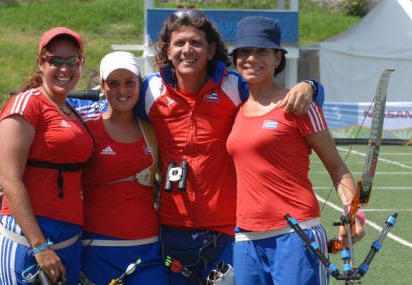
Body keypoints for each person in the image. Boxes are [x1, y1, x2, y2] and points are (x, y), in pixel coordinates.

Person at [70, 8, 323, 284]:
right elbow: (113, 98)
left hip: (226, 231)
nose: (187, 50)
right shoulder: (150, 90)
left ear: (211, 49)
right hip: (173, 231)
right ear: (167, 50)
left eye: (196, 43)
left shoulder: (233, 86)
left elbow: (277, 98)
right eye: (179, 43)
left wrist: (311, 86)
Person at [226, 16, 365, 285]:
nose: (251, 58)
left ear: (278, 58)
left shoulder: (300, 106)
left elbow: (337, 167)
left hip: (297, 235)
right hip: (246, 237)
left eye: (261, 51)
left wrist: (354, 212)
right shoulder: (236, 106)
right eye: (244, 52)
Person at [0, 27, 93, 284]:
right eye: (55, 61)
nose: (64, 68)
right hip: (28, 243)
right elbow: (8, 178)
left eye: (71, 60)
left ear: (81, 63)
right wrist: (39, 246)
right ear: (40, 63)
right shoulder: (26, 103)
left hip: (67, 241)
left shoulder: (71, 110)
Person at [79, 51, 168, 285]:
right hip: (97, 248)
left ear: (140, 84)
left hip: (148, 248)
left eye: (130, 83)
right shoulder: (85, 124)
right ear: (102, 86)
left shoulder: (152, 127)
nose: (122, 91)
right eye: (113, 83)